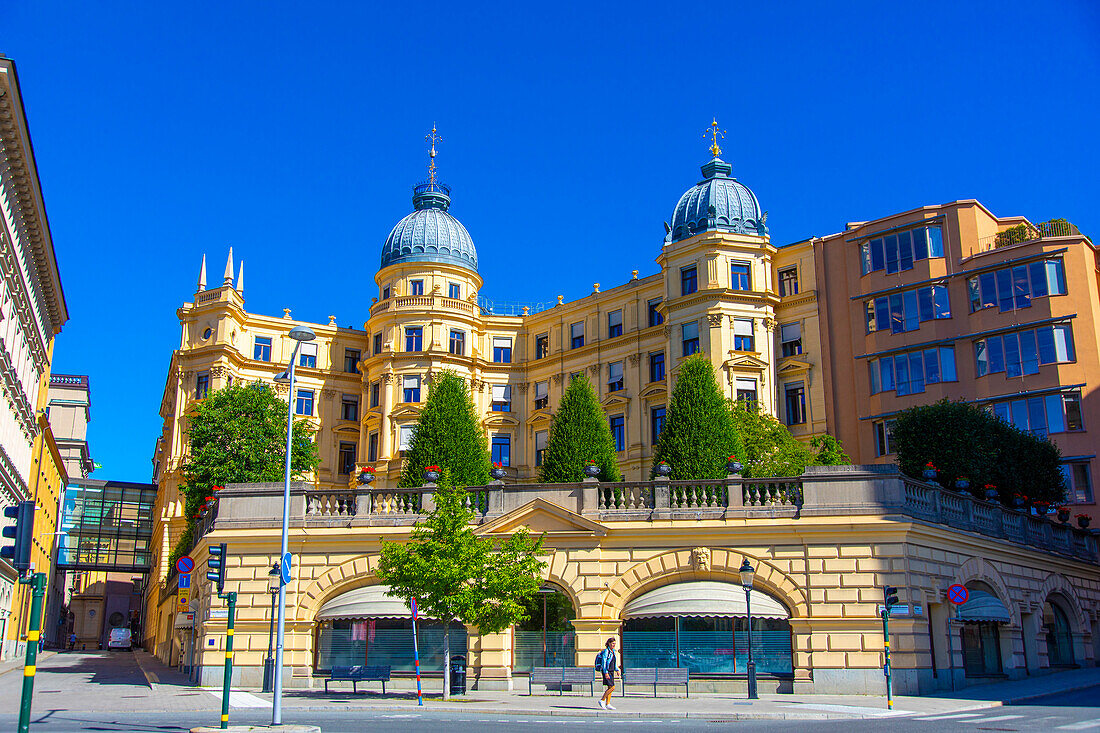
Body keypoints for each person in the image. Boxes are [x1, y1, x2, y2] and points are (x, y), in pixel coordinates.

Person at [596, 637, 618, 710]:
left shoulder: (613, 652)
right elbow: (604, 662)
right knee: (612, 687)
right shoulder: (606, 651)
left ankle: (608, 703)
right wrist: (605, 672)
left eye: (614, 643)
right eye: (612, 643)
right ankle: (602, 700)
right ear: (609, 644)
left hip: (611, 671)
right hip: (607, 671)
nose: (614, 645)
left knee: (610, 687)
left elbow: (614, 662)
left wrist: (617, 670)